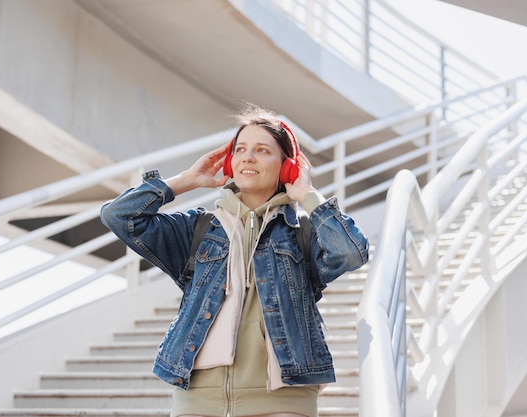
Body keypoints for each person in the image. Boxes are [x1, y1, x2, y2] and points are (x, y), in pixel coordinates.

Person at [100, 104, 369, 417]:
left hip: (284, 399)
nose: (248, 157)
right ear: (230, 161)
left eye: (262, 150)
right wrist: (186, 180)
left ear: (287, 167)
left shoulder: (304, 232)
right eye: (240, 149)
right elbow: (118, 216)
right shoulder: (198, 229)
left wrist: (307, 194)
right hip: (200, 397)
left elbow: (351, 251)